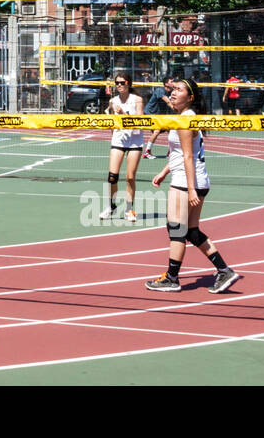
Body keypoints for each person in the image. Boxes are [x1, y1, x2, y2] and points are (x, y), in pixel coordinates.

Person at [144, 78, 241, 294]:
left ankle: (172, 278)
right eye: (173, 89)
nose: (173, 92)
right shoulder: (183, 117)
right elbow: (180, 154)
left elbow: (188, 156)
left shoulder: (187, 118)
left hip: (187, 182)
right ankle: (224, 270)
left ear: (190, 97)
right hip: (193, 179)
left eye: (179, 90)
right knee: (191, 230)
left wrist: (190, 189)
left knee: (176, 229)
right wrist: (163, 172)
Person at [101, 72, 144, 221]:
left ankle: (129, 209)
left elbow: (139, 124)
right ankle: (111, 206)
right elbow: (111, 121)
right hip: (119, 140)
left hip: (135, 140)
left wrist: (124, 113)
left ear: (128, 83)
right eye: (117, 83)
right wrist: (114, 134)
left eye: (122, 82)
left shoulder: (137, 100)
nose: (119, 85)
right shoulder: (113, 101)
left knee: (130, 177)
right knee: (112, 177)